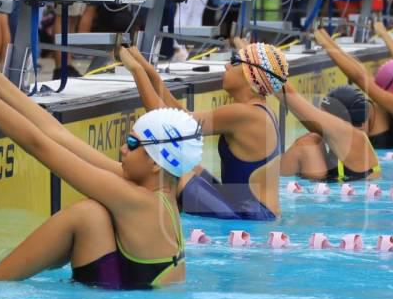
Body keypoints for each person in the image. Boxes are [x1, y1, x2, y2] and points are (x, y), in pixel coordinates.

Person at [0, 52, 196, 289]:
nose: (122, 148)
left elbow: (39, 145)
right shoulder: (154, 192)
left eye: (132, 144)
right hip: (126, 295)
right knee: (93, 217)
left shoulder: (138, 202)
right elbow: (57, 135)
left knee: (88, 215)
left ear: (155, 163)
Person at [120, 42, 286, 221]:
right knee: (188, 165)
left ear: (251, 75)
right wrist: (148, 69)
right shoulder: (258, 110)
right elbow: (180, 117)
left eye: (234, 61)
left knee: (172, 174)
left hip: (252, 218)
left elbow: (164, 123)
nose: (226, 65)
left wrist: (136, 71)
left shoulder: (246, 114)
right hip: (252, 210)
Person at [313, 28, 393, 148]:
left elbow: (360, 78)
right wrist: (326, 39)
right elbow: (362, 72)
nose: (380, 91)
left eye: (382, 88)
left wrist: (326, 44)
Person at [279, 83, 380, 182]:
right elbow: (311, 122)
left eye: (324, 115)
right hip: (338, 191)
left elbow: (290, 97)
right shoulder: (343, 142)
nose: (321, 121)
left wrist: (270, 72)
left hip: (333, 194)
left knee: (309, 145)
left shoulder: (355, 140)